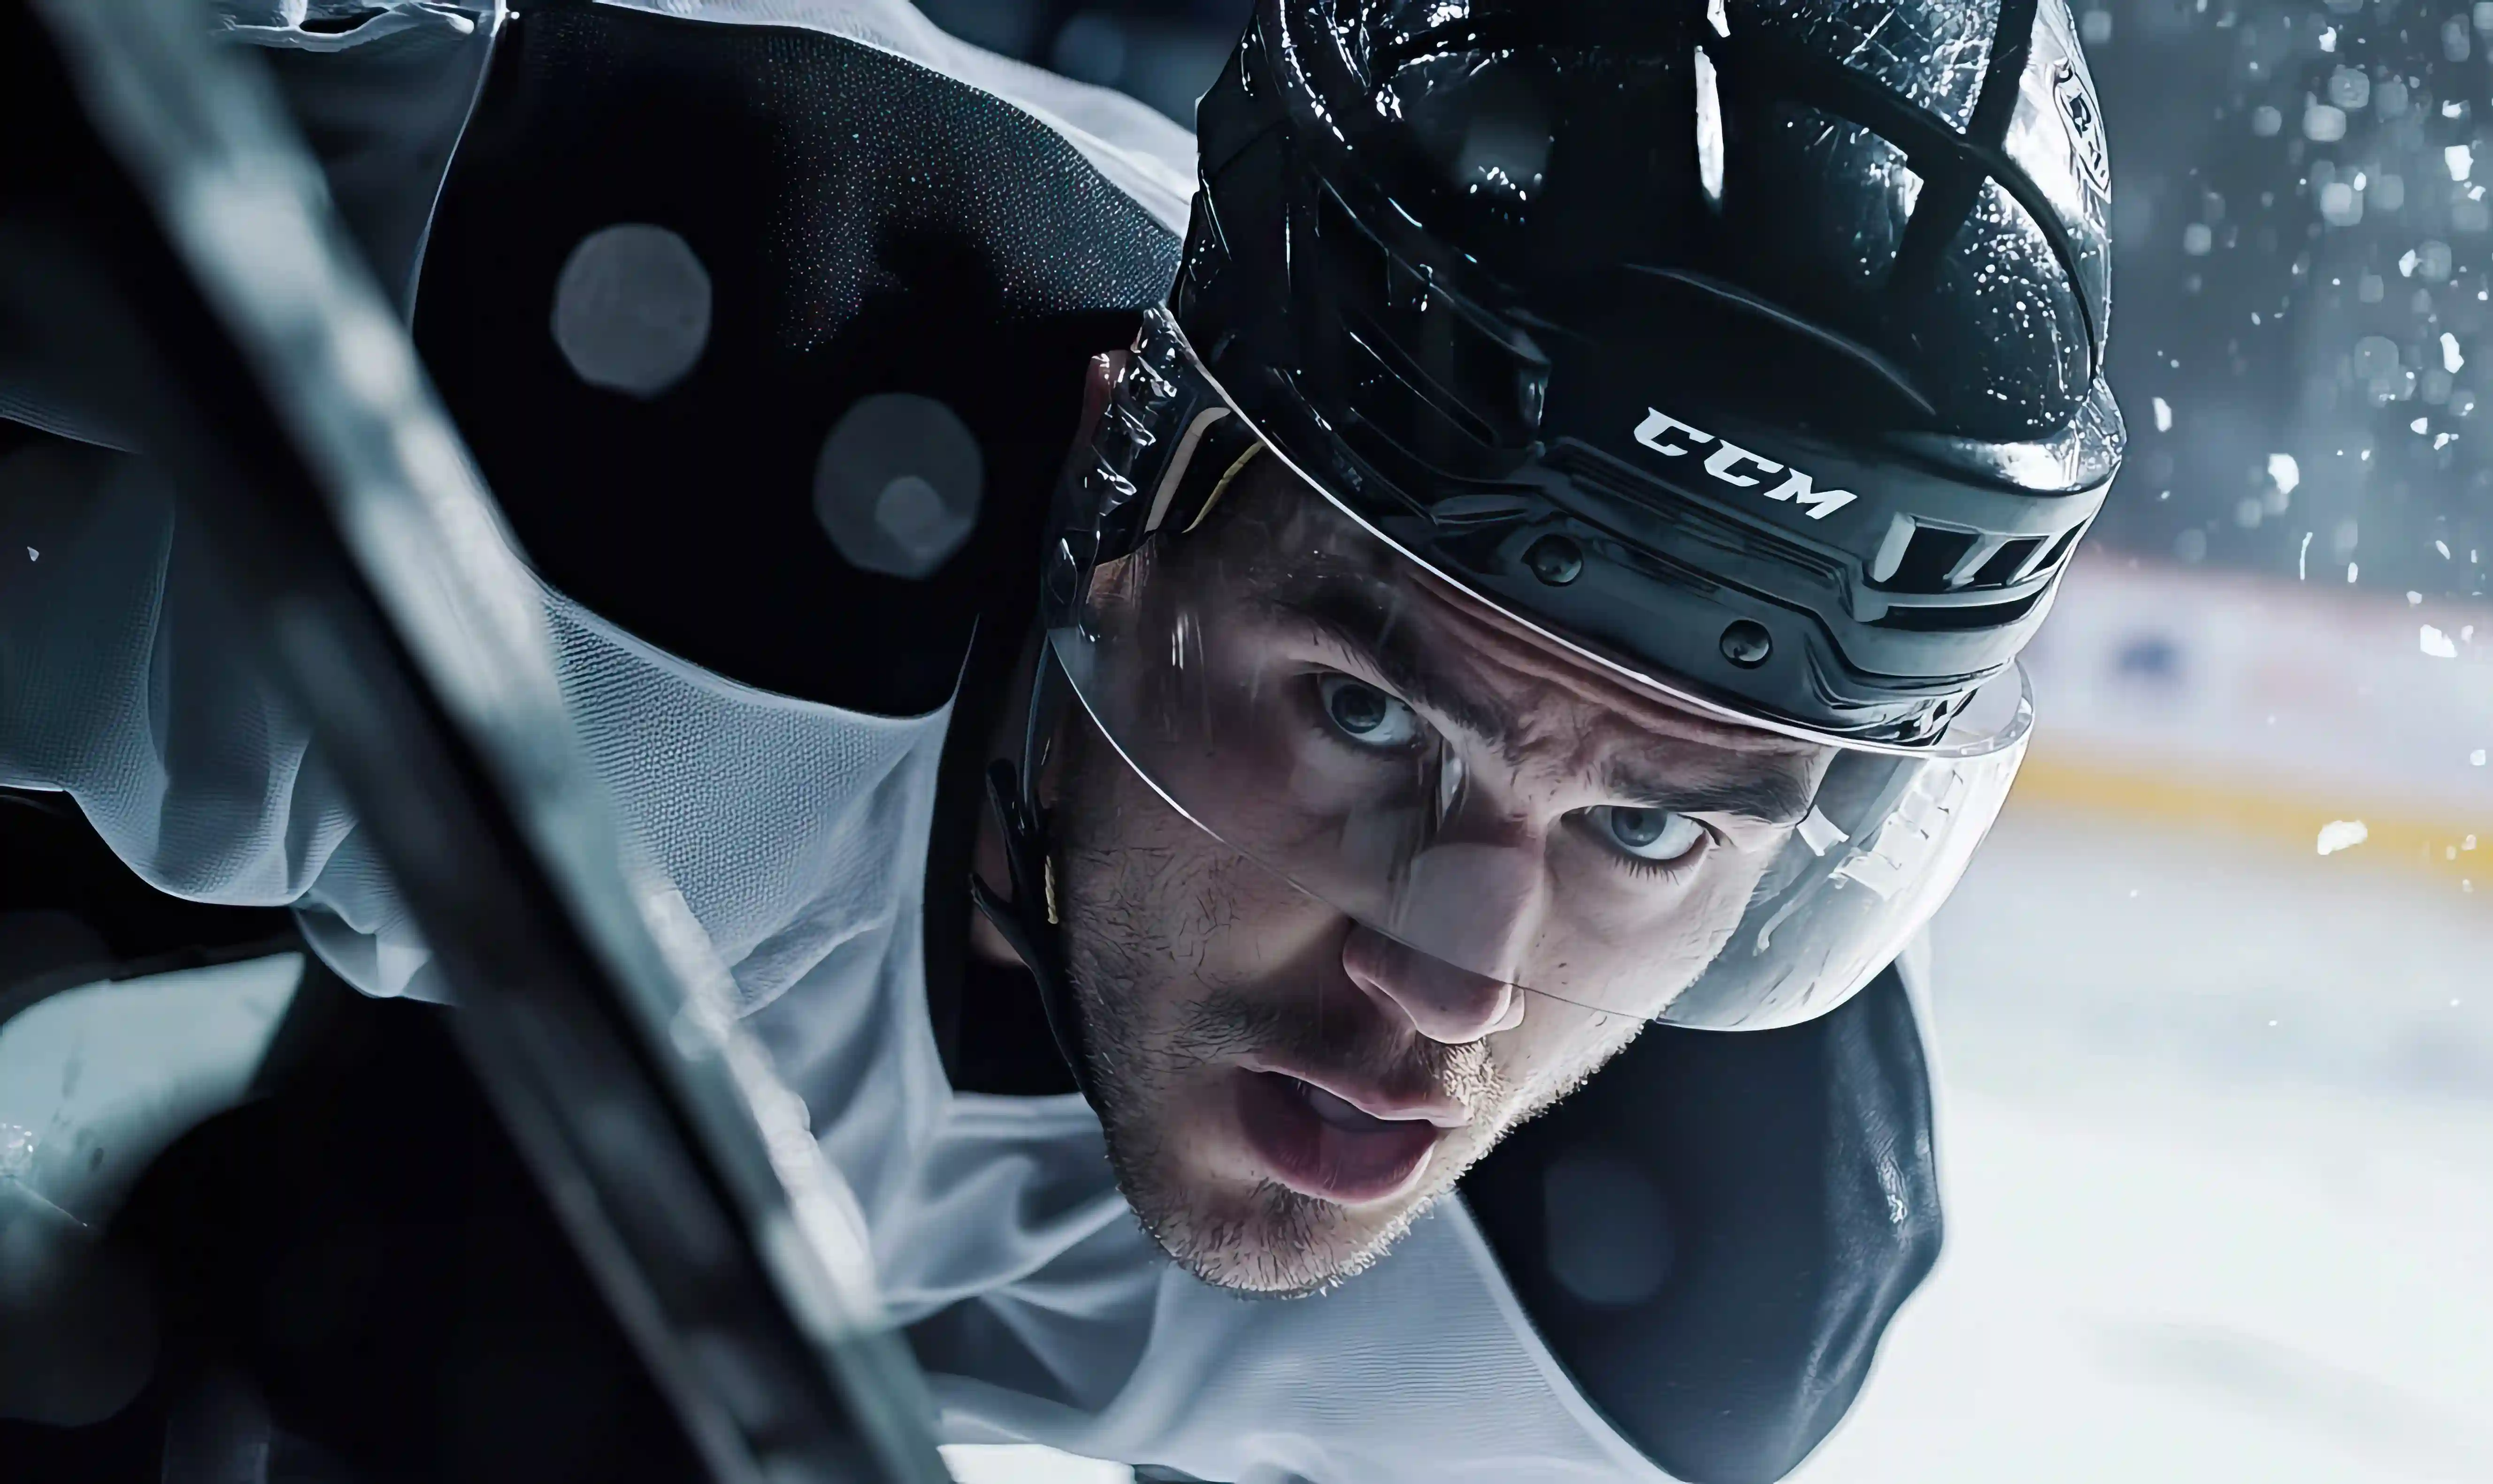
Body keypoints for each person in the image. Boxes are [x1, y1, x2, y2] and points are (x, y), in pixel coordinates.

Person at [0, 0, 2119, 1478]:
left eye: (1652, 836)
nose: (1452, 981)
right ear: (1116, 489)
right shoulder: (624, 414)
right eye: (1367, 711)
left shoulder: (1670, 1321)